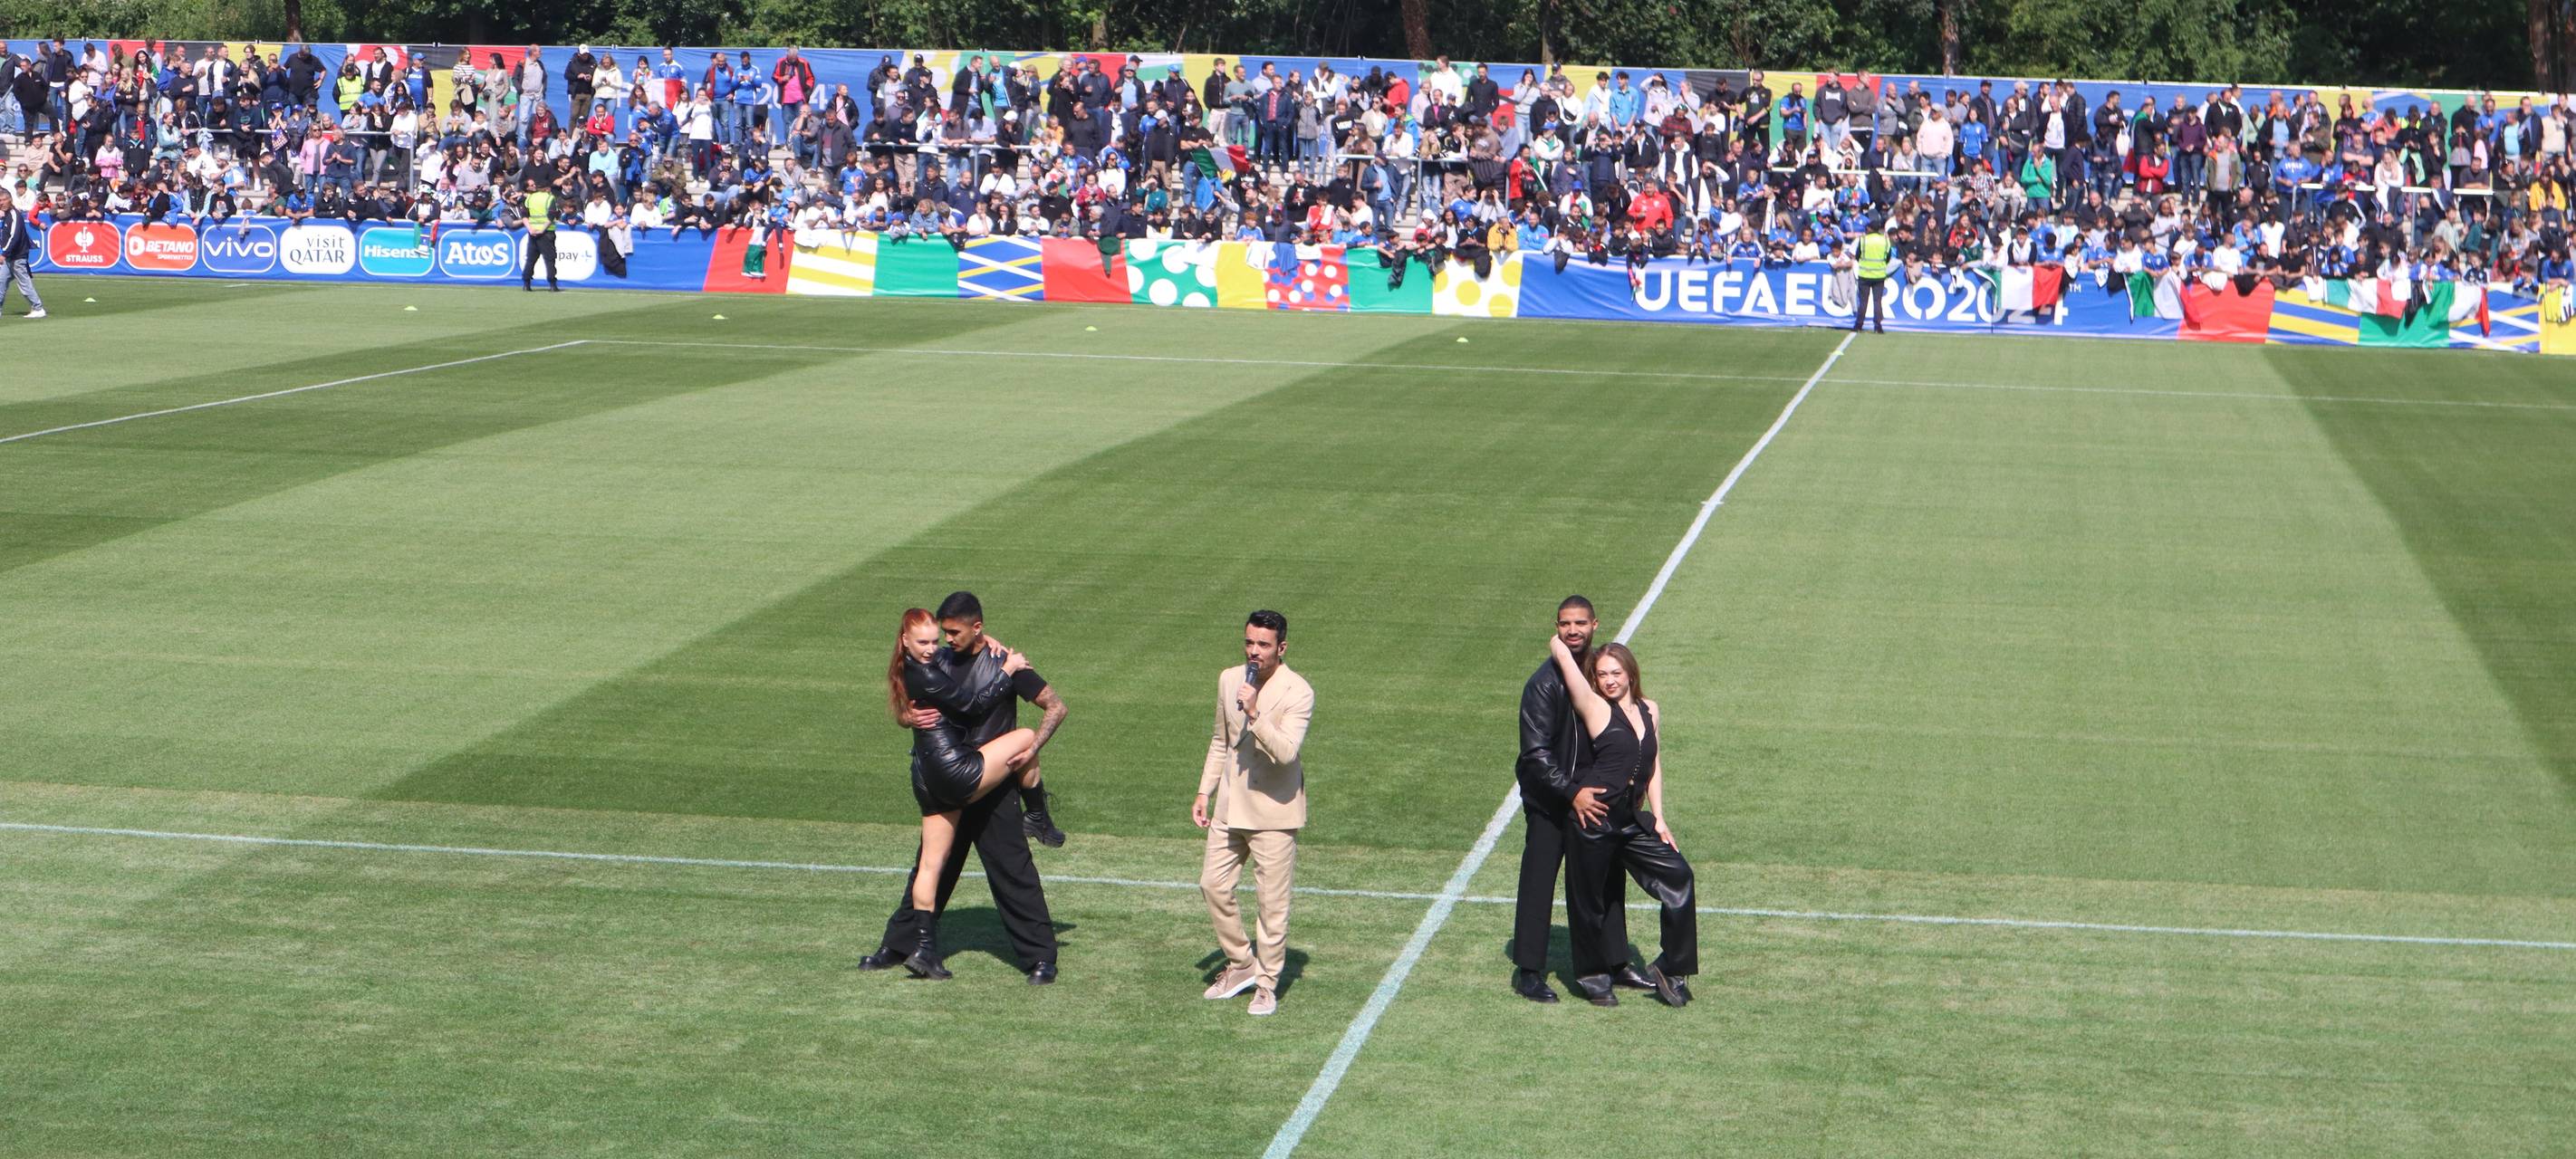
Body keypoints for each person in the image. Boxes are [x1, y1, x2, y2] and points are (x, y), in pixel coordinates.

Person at [858, 591, 1071, 984]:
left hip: (992, 784)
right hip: (951, 779)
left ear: (978, 629)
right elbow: (914, 708)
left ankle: (1041, 958)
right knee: (931, 868)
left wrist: (1032, 751)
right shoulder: (934, 660)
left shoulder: (1005, 662)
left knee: (1013, 871)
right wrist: (907, 716)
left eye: (953, 632)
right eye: (942, 633)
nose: (945, 640)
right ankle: (900, 945)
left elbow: (1055, 706)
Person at [1547, 632, 1695, 1008]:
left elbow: (1654, 763)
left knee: (1679, 876)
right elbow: (1563, 657)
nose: (1609, 680)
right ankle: (1594, 977)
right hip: (1593, 820)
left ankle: (1671, 968)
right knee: (1589, 902)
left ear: (1630, 674)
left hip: (1631, 820)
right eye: (1601, 674)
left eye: (1616, 672)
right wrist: (1564, 634)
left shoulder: (1650, 709)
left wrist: (1659, 817)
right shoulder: (1595, 707)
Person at [1510, 596, 1644, 1003]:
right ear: (1556, 627)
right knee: (1539, 881)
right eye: (1565, 624)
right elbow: (1535, 754)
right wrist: (1571, 793)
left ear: (1595, 625)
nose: (1573, 631)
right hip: (1553, 802)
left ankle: (1616, 963)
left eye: (1580, 623)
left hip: (1596, 800)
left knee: (1606, 882)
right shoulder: (1544, 683)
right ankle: (1528, 970)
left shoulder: (1600, 674)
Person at [1196, 609, 1312, 1018]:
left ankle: (1266, 986)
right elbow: (1220, 739)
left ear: (1281, 648)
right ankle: (1243, 962)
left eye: (1263, 645)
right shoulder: (1230, 679)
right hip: (1230, 806)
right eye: (1249, 643)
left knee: (1271, 905)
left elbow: (1285, 753)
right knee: (1212, 885)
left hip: (1275, 814)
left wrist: (1256, 713)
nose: (1254, 652)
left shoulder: (1298, 691)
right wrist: (1204, 790)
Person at [0, 188, 44, 319]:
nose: (1, 203)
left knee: (24, 284)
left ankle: (38, 308)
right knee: (1, 282)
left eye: (3, 200)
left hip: (17, 257)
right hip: (10, 258)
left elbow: (15, 237)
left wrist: (4, 253)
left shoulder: (14, 215)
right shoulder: (8, 214)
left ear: (10, 200)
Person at [1851, 220, 1892, 333]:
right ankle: (1878, 326)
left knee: (1863, 302)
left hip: (1865, 274)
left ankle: (1858, 325)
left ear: (1869, 228)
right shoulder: (1885, 240)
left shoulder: (1864, 240)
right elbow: (1887, 257)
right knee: (1877, 301)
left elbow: (1858, 255)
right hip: (1879, 274)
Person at [521, 179, 561, 292]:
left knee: (531, 259)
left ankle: (526, 283)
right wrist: (542, 229)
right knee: (549, 259)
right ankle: (552, 284)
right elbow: (551, 216)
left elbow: (524, 215)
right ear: (547, 189)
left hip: (532, 232)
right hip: (546, 233)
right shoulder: (549, 198)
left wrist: (530, 229)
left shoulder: (529, 198)